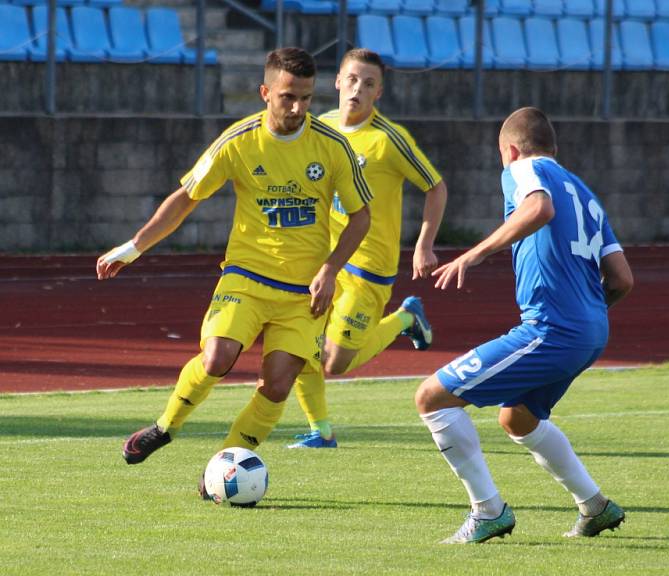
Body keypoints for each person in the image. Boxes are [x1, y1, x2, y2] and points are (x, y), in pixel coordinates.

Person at [96, 47, 372, 468]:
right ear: (265, 92)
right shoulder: (239, 141)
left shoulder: (332, 146)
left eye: (306, 97)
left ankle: (225, 465)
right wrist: (134, 247)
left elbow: (360, 216)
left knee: (278, 385)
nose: (298, 107)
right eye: (288, 97)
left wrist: (331, 270)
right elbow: (187, 197)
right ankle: (164, 427)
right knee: (217, 358)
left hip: (304, 293)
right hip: (246, 276)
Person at [414, 107, 634, 543]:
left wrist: (472, 254)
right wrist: (587, 313)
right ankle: (595, 507)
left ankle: (487, 512)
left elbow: (538, 207)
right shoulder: (585, 191)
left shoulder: (523, 168)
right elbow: (623, 279)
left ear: (510, 149)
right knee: (519, 417)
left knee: (432, 398)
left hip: (553, 328)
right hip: (591, 330)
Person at [287, 48, 448, 448]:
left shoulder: (389, 140)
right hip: (323, 262)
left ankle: (405, 319)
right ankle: (320, 430)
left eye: (369, 83)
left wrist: (424, 245)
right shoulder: (318, 126)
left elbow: (436, 186)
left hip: (368, 268)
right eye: (353, 79)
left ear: (379, 92)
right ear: (338, 82)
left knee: (335, 362)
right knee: (299, 342)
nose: (358, 89)